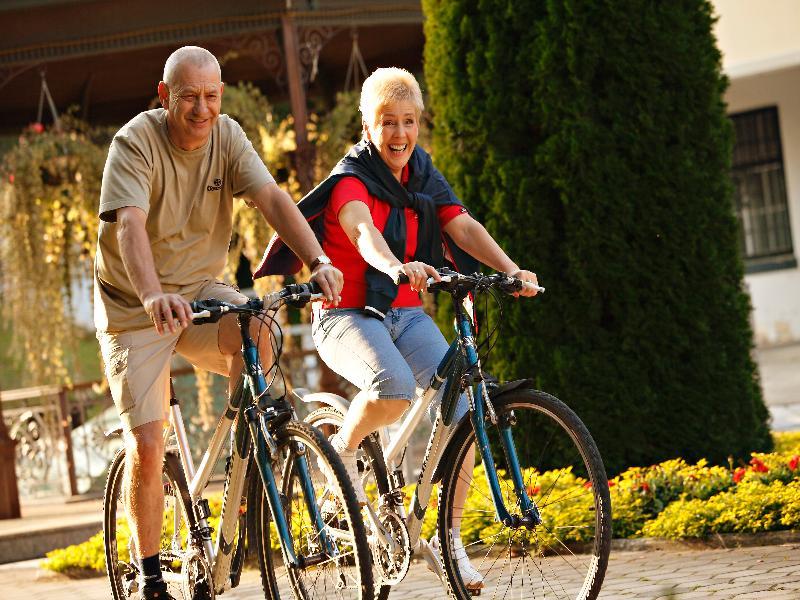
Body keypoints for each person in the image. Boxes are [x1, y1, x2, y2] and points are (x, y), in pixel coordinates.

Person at [254, 67, 538, 588]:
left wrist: (511, 269)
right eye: (388, 122)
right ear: (367, 126)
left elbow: (463, 226)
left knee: (464, 403)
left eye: (408, 122)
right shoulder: (350, 179)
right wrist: (392, 266)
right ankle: (341, 451)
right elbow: (363, 232)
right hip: (344, 315)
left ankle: (449, 540)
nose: (400, 134)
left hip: (406, 314)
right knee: (395, 386)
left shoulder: (424, 175)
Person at [94, 46, 343, 600]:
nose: (202, 109)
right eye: (189, 97)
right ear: (165, 97)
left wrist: (319, 260)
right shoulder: (134, 143)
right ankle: (154, 577)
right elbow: (129, 227)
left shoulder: (227, 136)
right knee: (150, 444)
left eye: (211, 96)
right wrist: (154, 294)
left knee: (261, 328)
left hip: (202, 291)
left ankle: (250, 453)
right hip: (136, 306)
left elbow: (272, 199)